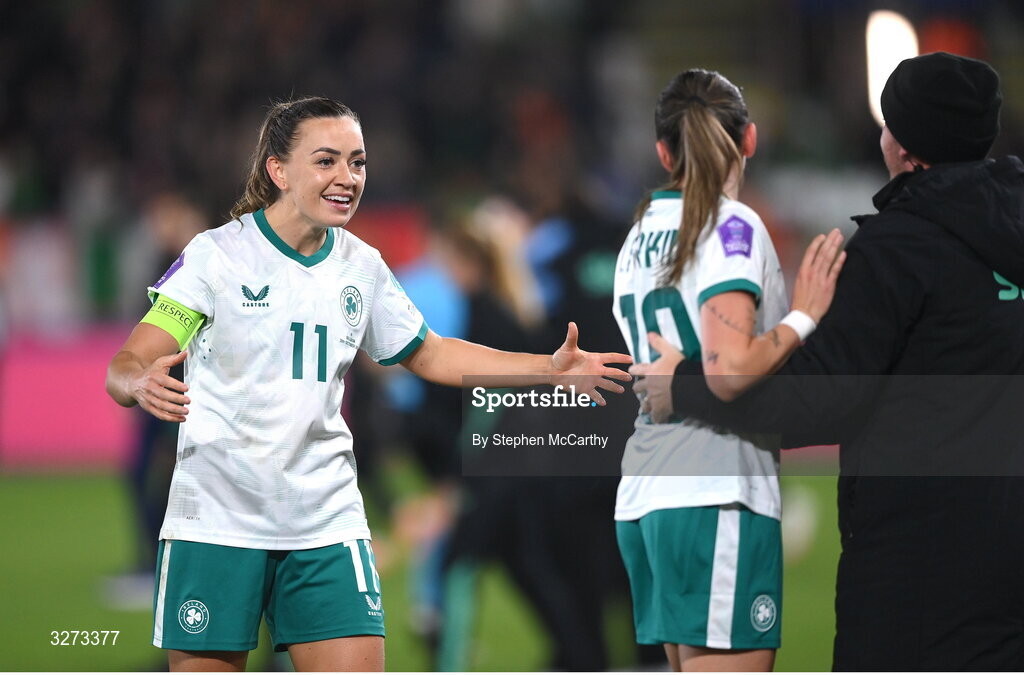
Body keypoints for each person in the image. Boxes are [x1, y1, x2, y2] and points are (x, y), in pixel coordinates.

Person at [104, 96, 632, 673]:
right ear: (278, 171)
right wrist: (139, 380)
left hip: (326, 522)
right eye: (326, 161)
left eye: (357, 162)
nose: (347, 177)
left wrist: (546, 369)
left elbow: (429, 354)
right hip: (219, 521)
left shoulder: (362, 265)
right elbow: (130, 360)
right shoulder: (217, 256)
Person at [633, 52, 1024, 670]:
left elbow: (819, 401)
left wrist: (683, 386)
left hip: (918, 567)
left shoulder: (897, 248)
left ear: (900, 141)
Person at [611, 68, 844, 672]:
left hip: (647, 493)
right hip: (715, 491)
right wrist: (804, 317)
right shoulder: (732, 225)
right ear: (751, 140)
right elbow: (730, 371)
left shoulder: (637, 235)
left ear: (664, 152)